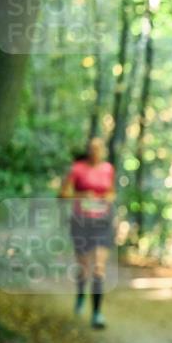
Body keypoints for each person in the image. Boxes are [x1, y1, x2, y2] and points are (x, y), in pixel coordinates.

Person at [59, 137, 115, 329]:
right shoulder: (77, 168)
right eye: (91, 148)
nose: (95, 151)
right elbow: (62, 194)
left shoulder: (108, 169)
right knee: (84, 267)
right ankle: (81, 294)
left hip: (102, 222)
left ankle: (97, 313)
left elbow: (112, 192)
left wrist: (107, 197)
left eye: (98, 148)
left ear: (103, 150)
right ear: (88, 150)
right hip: (81, 222)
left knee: (99, 268)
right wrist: (82, 195)